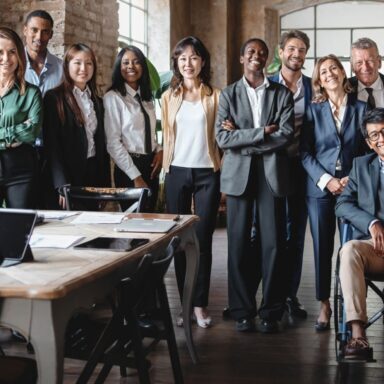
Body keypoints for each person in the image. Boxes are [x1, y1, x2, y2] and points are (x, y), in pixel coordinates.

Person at [216, 37, 294, 333]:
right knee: (237, 243)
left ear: (268, 59)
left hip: (272, 176)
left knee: (273, 244)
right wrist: (262, 133)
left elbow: (285, 135)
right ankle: (241, 310)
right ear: (241, 58)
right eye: (251, 52)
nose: (257, 57)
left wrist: (244, 139)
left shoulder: (281, 94)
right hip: (239, 176)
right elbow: (222, 139)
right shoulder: (228, 94)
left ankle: (270, 311)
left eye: (262, 53)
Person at [301, 54, 367, 331]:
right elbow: (304, 152)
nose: (329, 73)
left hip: (352, 190)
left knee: (348, 249)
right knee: (322, 248)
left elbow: (368, 150)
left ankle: (347, 305)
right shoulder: (312, 110)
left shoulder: (362, 108)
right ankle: (325, 304)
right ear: (319, 80)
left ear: (343, 73)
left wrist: (351, 178)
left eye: (334, 68)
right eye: (323, 71)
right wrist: (327, 179)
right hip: (320, 190)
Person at [162, 36, 221, 328]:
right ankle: (183, 304)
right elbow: (166, 135)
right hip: (176, 171)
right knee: (179, 240)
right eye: (182, 58)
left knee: (204, 239)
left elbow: (222, 134)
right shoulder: (168, 97)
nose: (188, 63)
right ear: (176, 62)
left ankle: (199, 304)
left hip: (207, 171)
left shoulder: (216, 96)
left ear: (203, 62)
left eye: (194, 57)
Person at [335, 108, 384, 359]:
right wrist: (372, 222)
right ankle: (358, 336)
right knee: (350, 249)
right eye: (375, 135)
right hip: (376, 250)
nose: (382, 139)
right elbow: (342, 204)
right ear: (369, 142)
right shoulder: (361, 166)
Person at [269, 29, 312, 319]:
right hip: (271, 166)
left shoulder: (313, 85)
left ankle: (289, 296)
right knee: (266, 233)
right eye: (292, 49)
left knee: (295, 234)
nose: (296, 54)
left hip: (302, 166)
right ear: (281, 51)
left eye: (302, 50)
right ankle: (262, 294)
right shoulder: (266, 84)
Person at [43, 43, 110, 210]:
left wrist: (105, 185)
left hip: (93, 174)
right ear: (67, 65)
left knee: (93, 228)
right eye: (77, 62)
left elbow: (101, 146)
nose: (83, 68)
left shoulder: (98, 101)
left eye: (89, 63)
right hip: (68, 177)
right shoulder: (53, 98)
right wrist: (61, 185)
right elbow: (52, 146)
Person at [104, 46, 162, 212]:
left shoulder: (146, 99)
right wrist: (135, 176)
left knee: (149, 220)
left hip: (151, 166)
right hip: (129, 167)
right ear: (119, 67)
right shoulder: (113, 98)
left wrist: (159, 149)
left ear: (142, 67)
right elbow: (113, 143)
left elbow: (147, 134)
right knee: (134, 223)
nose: (131, 66)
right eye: (126, 62)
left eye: (136, 62)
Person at [23, 9, 63, 208]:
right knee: (22, 209)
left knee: (51, 210)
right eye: (34, 30)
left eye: (45, 31)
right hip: (21, 150)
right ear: (25, 30)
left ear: (51, 35)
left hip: (52, 152)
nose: (39, 36)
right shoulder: (12, 65)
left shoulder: (62, 68)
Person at [0, 27, 42, 208]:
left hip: (20, 169)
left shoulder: (31, 92)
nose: (6, 59)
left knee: (20, 226)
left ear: (19, 56)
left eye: (12, 52)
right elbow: (24, 129)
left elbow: (31, 132)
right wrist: (12, 135)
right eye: (0, 52)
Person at [350, 37, 384, 108]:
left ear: (379, 62)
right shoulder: (344, 88)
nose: (365, 67)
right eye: (359, 62)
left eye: (370, 61)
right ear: (352, 67)